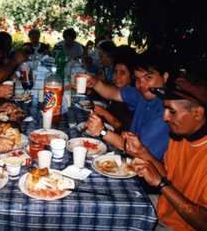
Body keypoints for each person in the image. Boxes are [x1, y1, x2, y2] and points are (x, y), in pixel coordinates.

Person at [124, 73, 207, 230]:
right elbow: (170, 176)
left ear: (198, 113)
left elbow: (204, 221)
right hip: (164, 208)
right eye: (164, 109)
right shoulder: (180, 137)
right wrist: (142, 151)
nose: (164, 117)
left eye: (172, 111)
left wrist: (160, 184)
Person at [80, 49, 171, 162]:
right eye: (138, 79)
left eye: (148, 77)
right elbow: (115, 92)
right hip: (127, 158)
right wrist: (94, 82)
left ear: (165, 77)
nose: (141, 84)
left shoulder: (168, 112)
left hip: (144, 171)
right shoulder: (144, 94)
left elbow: (138, 151)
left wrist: (102, 131)